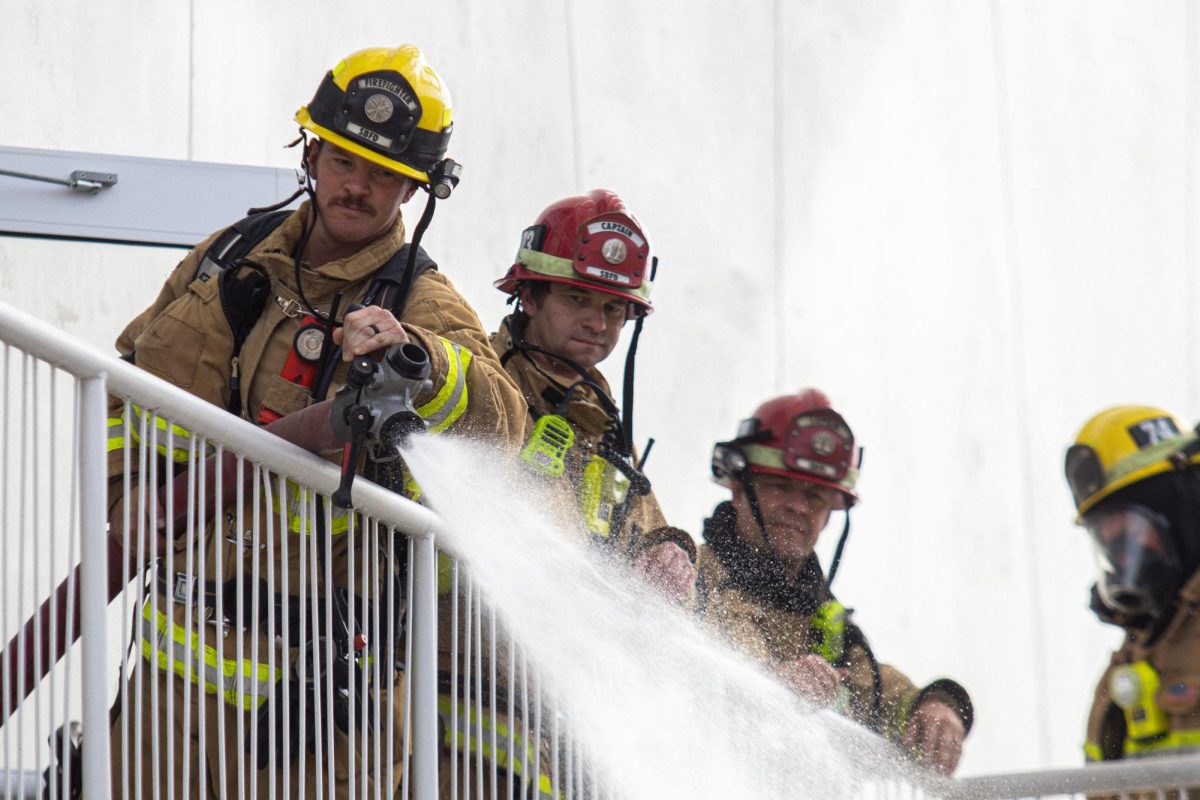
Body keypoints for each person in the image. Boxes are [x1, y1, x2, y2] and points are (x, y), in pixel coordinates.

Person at [102, 44, 524, 798]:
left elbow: (504, 420)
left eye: (384, 175)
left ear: (414, 190)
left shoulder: (421, 303)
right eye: (343, 161)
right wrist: (129, 488)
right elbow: (131, 374)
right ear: (312, 151)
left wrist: (418, 360)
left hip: (322, 708)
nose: (357, 187)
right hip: (170, 673)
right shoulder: (232, 256)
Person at [697, 389, 973, 775]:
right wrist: (768, 686)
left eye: (814, 496)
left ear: (829, 514)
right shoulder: (687, 573)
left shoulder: (827, 626)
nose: (797, 507)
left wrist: (938, 705)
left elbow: (883, 696)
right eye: (779, 487)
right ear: (739, 489)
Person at [490, 190, 696, 600]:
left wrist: (671, 555)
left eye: (613, 310)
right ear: (530, 297)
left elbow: (651, 533)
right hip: (453, 648)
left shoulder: (608, 432)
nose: (596, 323)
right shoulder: (487, 380)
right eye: (577, 298)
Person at [1064, 404, 1200, 765]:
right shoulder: (1136, 653)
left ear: (1181, 513)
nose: (1123, 558)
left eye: (1131, 531)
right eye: (1107, 541)